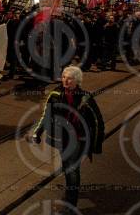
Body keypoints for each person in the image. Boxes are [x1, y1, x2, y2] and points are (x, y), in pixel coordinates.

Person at [28, 66, 104, 211]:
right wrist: (37, 132)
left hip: (78, 139)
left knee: (72, 171)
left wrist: (96, 145)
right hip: (63, 139)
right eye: (63, 77)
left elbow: (97, 122)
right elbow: (46, 115)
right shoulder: (55, 94)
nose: (65, 80)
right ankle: (71, 189)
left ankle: (71, 205)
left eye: (70, 78)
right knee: (67, 166)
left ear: (77, 81)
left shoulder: (85, 98)